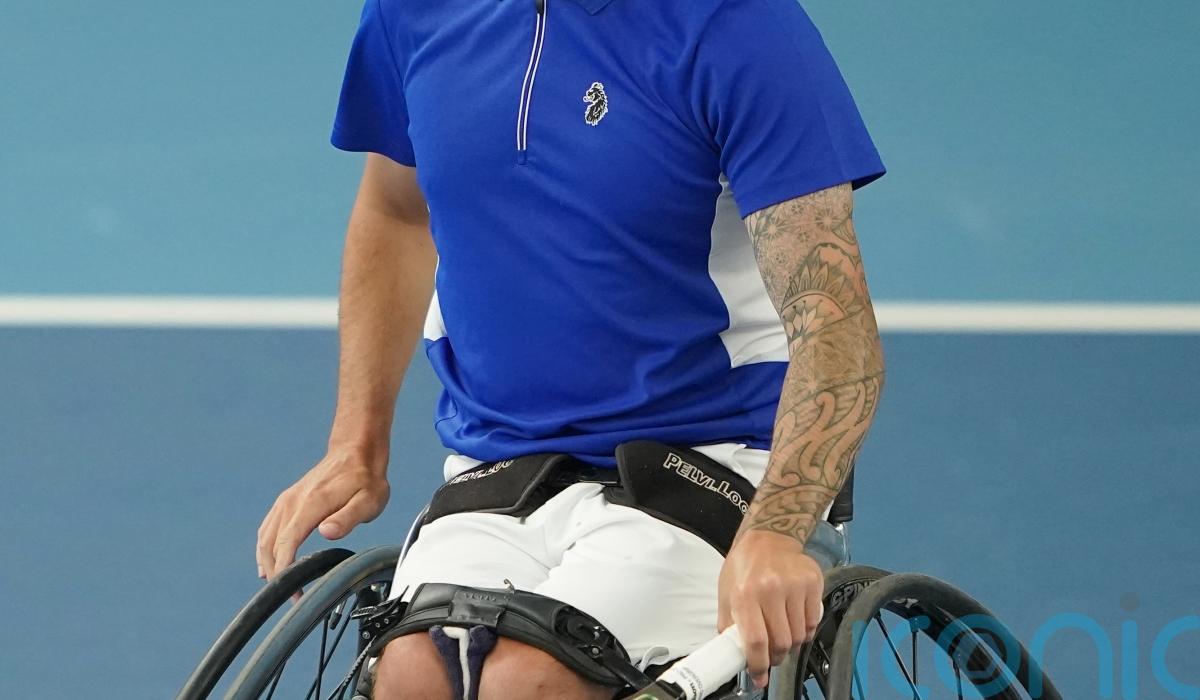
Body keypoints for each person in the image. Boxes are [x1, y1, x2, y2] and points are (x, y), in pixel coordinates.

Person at [256, 0, 886, 697]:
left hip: (718, 461)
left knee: (530, 684)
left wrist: (778, 530)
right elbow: (396, 211)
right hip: (502, 460)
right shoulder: (411, 12)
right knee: (413, 675)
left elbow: (836, 329)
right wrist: (356, 444)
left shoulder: (738, 25)